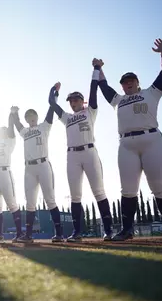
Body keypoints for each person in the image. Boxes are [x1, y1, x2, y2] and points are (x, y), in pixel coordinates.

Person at [96, 38, 162, 241]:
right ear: (123, 86)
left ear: (137, 82)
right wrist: (98, 67)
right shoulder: (118, 100)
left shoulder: (151, 93)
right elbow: (104, 86)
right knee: (128, 189)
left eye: (131, 80)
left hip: (152, 140)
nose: (128, 83)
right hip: (126, 145)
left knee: (159, 185)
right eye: (124, 82)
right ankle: (126, 231)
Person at [48, 69, 113, 242]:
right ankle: (77, 233)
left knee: (99, 191)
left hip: (90, 152)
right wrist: (55, 91)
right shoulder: (67, 117)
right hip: (72, 156)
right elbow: (52, 104)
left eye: (76, 99)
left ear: (82, 101)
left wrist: (96, 70)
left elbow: (93, 91)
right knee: (75, 195)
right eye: (70, 100)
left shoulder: (90, 111)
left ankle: (108, 230)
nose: (72, 103)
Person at [11, 97, 63, 243]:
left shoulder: (44, 127)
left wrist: (54, 96)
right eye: (28, 118)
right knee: (30, 202)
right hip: (29, 168)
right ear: (27, 119)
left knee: (50, 199)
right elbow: (17, 124)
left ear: (37, 117)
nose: (31, 119)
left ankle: (59, 233)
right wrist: (14, 113)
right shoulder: (25, 131)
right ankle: (28, 235)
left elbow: (51, 111)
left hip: (43, 165)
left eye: (33, 117)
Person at [0, 106, 20, 243]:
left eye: (4, 130)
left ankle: (20, 233)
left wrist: (12, 114)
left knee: (11, 204)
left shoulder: (10, 141)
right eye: (0, 130)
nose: (2, 131)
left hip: (5, 173)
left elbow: (11, 128)